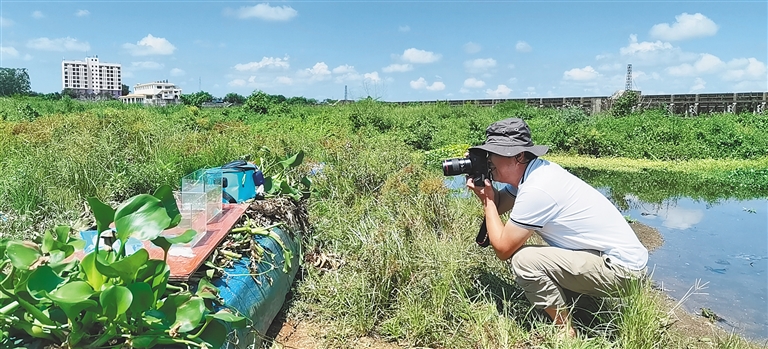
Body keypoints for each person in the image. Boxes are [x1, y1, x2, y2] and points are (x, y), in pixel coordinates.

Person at [466, 117, 648, 337]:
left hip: (622, 273)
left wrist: (487, 201)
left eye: (494, 154)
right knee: (530, 256)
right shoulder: (536, 172)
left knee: (525, 261)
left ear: (519, 156)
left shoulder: (538, 189)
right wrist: (483, 185)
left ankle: (566, 332)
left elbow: (503, 249)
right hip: (615, 260)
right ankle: (582, 306)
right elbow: (500, 203)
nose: (489, 160)